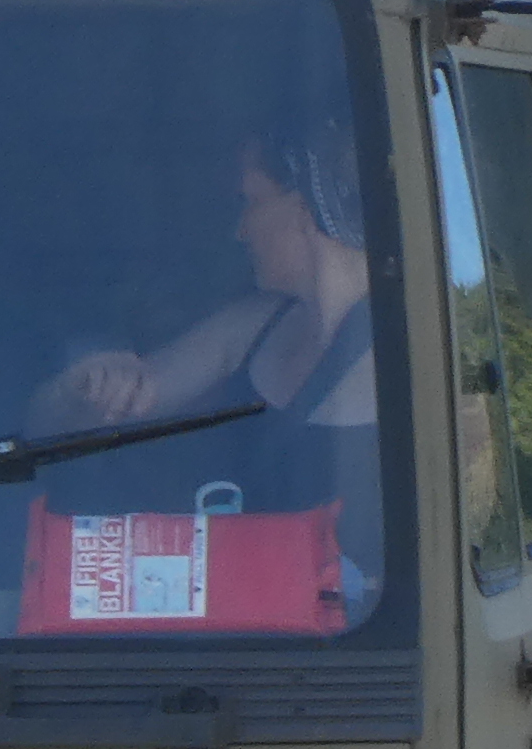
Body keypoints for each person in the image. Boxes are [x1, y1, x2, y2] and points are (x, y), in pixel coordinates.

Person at [26, 99, 381, 516]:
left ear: (305, 209)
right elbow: (100, 415)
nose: (239, 230)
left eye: (251, 201)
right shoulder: (252, 326)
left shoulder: (417, 360)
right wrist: (77, 392)